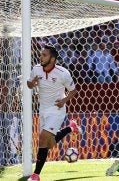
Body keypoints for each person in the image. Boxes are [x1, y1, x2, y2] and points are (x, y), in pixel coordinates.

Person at [27, 45, 81, 181]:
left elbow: (74, 91)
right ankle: (70, 128)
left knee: (43, 138)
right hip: (43, 109)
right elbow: (29, 83)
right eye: (41, 54)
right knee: (49, 144)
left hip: (57, 109)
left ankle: (35, 175)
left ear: (52, 59)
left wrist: (64, 100)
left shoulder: (63, 73)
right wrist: (31, 84)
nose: (41, 57)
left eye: (44, 55)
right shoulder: (36, 69)